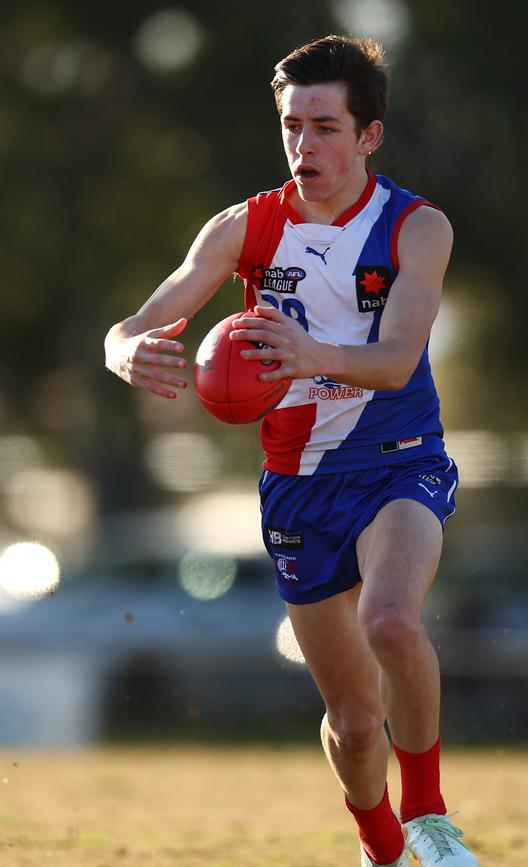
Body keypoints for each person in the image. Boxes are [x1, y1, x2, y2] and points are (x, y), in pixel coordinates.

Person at [105, 34, 479, 867]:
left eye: (326, 127)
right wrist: (124, 347)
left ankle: (429, 816)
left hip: (400, 457)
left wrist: (315, 356)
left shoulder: (418, 229)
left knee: (390, 619)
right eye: (292, 126)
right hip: (297, 482)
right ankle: (381, 845)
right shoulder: (244, 227)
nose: (305, 146)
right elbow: (142, 318)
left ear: (369, 136)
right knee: (350, 719)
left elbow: (395, 359)